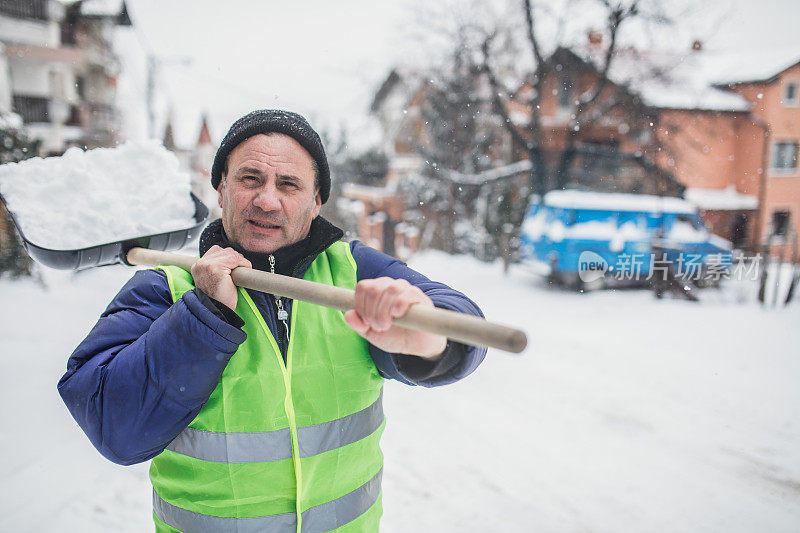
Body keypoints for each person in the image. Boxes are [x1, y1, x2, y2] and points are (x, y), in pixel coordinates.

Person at [58, 109, 486, 532]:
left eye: (288, 184)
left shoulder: (354, 273)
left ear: (316, 201)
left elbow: (460, 318)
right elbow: (112, 427)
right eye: (249, 179)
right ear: (221, 188)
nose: (267, 199)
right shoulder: (165, 289)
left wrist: (432, 339)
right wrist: (204, 317)